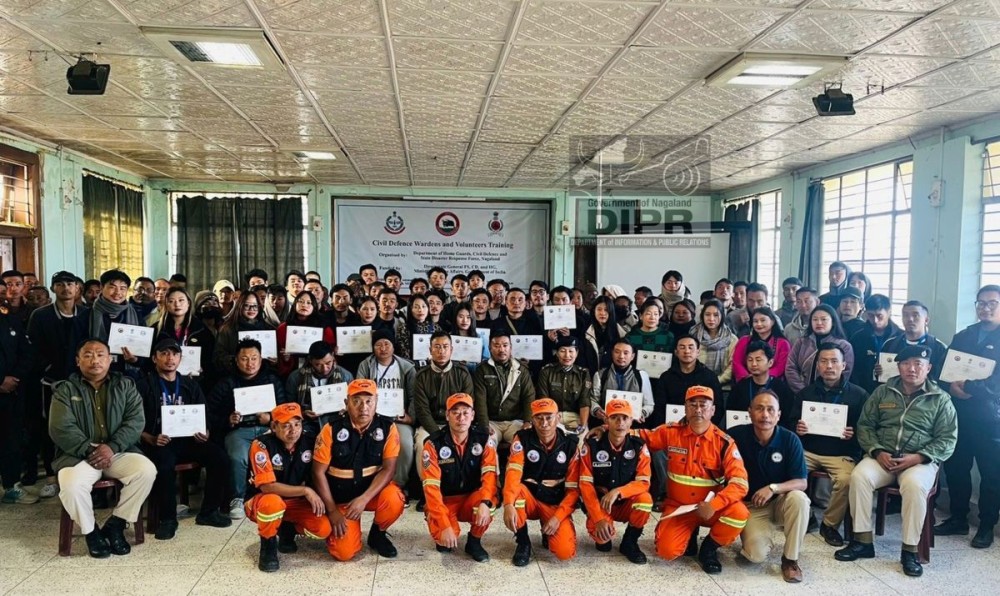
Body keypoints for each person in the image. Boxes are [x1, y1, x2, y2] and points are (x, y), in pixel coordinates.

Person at [834, 345, 957, 577]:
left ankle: (909, 551)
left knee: (914, 485)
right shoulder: (882, 392)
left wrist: (918, 457)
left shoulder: (941, 399)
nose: (912, 369)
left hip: (919, 460)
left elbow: (947, 439)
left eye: (918, 364)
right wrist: (877, 451)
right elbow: (865, 425)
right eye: (906, 364)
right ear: (898, 367)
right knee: (859, 476)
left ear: (928, 368)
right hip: (884, 457)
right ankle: (862, 541)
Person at [49, 339, 156, 558]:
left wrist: (112, 447)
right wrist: (90, 450)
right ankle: (91, 533)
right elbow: (60, 427)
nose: (95, 360)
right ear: (78, 361)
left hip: (118, 451)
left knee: (146, 471)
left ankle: (117, 524)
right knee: (71, 485)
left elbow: (135, 421)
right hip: (78, 455)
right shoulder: (65, 389)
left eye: (100, 355)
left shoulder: (125, 385)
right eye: (88, 355)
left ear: (109, 359)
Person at [632, 386, 749, 573]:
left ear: (713, 410)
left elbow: (740, 483)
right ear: (685, 409)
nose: (698, 410)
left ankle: (709, 549)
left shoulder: (724, 443)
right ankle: (690, 533)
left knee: (739, 514)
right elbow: (641, 436)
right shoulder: (671, 432)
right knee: (666, 552)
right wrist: (607, 429)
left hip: (710, 508)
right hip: (679, 506)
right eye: (693, 405)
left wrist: (715, 505)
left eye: (703, 405)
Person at [136, 338, 231, 540]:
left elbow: (204, 414)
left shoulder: (190, 384)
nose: (170, 358)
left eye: (174, 354)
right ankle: (168, 519)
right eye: (164, 354)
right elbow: (133, 421)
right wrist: (150, 438)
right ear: (154, 358)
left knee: (220, 458)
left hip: (189, 441)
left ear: (180, 358)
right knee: (164, 466)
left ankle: (209, 512)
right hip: (160, 442)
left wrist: (205, 431)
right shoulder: (144, 385)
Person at [935, 285, 1000, 547]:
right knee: (956, 469)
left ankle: (986, 526)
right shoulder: (964, 335)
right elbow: (942, 370)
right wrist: (950, 387)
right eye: (981, 303)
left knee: (991, 475)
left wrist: (971, 388)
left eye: (992, 303)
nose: (986, 308)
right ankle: (958, 518)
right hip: (958, 416)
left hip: (990, 419)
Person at [312, 379, 405, 560]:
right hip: (341, 498)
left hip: (369, 493)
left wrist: (364, 499)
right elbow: (317, 472)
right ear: (346, 403)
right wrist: (332, 510)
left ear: (376, 402)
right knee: (344, 553)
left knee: (394, 498)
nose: (363, 407)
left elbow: (389, 469)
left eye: (369, 401)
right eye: (356, 401)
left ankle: (378, 534)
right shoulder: (331, 428)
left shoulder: (388, 428)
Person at [791, 343, 869, 547]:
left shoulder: (859, 395)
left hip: (841, 453)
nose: (829, 366)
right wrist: (797, 428)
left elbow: (867, 429)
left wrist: (853, 434)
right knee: (789, 471)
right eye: (824, 361)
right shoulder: (806, 394)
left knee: (847, 480)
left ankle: (829, 525)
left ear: (844, 365)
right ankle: (804, 516)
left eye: (834, 361)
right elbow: (789, 424)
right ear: (817, 365)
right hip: (809, 451)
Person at [729, 390, 810, 583]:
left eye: (770, 410)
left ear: (778, 415)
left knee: (799, 498)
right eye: (759, 409)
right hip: (752, 506)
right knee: (755, 556)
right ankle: (762, 535)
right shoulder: (735, 436)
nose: (765, 415)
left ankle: (790, 560)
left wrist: (773, 488)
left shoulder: (790, 439)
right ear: (750, 412)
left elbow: (802, 482)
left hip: (781, 502)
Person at [245, 402, 331, 571]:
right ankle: (268, 546)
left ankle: (287, 529)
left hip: (295, 502)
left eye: (297, 424)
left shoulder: (310, 441)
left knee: (323, 529)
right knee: (272, 502)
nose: (293, 431)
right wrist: (306, 490)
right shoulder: (261, 445)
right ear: (274, 427)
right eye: (286, 426)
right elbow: (267, 487)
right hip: (261, 501)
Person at [207, 338, 286, 519]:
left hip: (268, 430)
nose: (250, 363)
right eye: (244, 359)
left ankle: (279, 493)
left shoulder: (272, 381)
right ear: (236, 360)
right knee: (238, 457)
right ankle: (237, 498)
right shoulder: (226, 383)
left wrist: (271, 418)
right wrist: (228, 420)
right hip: (239, 432)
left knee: (280, 453)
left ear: (261, 359)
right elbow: (209, 412)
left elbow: (285, 408)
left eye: (254, 358)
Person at [502, 398, 581, 565]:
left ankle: (548, 529)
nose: (544, 423)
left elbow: (573, 490)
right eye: (539, 418)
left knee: (565, 552)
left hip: (554, 501)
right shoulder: (522, 439)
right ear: (532, 419)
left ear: (558, 417)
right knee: (516, 492)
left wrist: (558, 518)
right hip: (529, 497)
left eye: (549, 417)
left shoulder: (571, 444)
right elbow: (513, 473)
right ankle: (523, 542)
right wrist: (508, 504)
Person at [420, 393, 496, 562]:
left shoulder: (484, 440)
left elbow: (489, 476)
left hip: (471, 498)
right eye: (455, 412)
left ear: (473, 415)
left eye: (465, 412)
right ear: (447, 416)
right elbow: (431, 489)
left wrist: (485, 502)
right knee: (445, 542)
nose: (461, 418)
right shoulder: (433, 444)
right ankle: (445, 527)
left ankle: (474, 541)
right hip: (445, 501)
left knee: (490, 502)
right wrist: (444, 525)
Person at [579, 399, 652, 564]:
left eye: (625, 418)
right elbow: (585, 485)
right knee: (603, 542)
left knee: (645, 501)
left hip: (625, 503)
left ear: (631, 421)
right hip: (601, 504)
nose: (620, 423)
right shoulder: (592, 445)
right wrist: (598, 518)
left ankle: (630, 542)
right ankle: (603, 528)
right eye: (614, 418)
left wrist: (618, 491)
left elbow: (644, 482)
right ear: (606, 420)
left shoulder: (639, 446)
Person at [356, 331, 417, 493]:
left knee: (405, 444)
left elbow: (414, 395)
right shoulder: (365, 365)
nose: (383, 348)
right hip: (372, 418)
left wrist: (410, 418)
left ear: (393, 346)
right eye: (378, 345)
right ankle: (369, 486)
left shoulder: (407, 368)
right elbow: (359, 393)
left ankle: (398, 485)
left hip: (398, 418)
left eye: (387, 344)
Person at [413, 331, 475, 448]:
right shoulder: (421, 376)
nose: (441, 351)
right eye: (437, 347)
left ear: (451, 350)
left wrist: (453, 428)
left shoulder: (462, 373)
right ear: (430, 350)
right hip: (430, 425)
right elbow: (422, 410)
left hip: (457, 423)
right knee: (423, 444)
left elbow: (467, 405)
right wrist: (437, 433)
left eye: (445, 347)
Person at [472, 328, 536, 444]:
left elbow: (529, 396)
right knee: (486, 444)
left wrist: (528, 421)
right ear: (490, 348)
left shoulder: (521, 369)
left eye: (505, 345)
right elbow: (480, 400)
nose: (501, 349)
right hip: (491, 422)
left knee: (525, 443)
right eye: (496, 346)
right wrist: (484, 424)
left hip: (515, 421)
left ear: (511, 347)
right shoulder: (482, 370)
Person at [0, 296, 33, 504]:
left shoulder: (11, 321)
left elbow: (26, 354)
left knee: (11, 440)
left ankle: (11, 486)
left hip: (11, 391)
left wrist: (13, 379)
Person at [284, 341, 354, 436]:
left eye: (328, 363)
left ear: (333, 356)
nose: (324, 368)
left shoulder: (345, 376)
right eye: (318, 365)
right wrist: (303, 413)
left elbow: (354, 403)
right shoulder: (296, 377)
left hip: (339, 422)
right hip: (306, 425)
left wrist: (348, 408)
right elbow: (288, 408)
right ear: (310, 360)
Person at [654, 336, 724, 428]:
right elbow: (659, 407)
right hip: (671, 428)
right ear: (676, 352)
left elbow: (718, 407)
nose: (687, 351)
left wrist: (704, 427)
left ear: (698, 352)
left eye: (691, 347)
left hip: (701, 428)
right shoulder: (666, 377)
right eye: (682, 347)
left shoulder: (709, 376)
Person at [785, 304, 855, 393]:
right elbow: (790, 367)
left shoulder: (844, 346)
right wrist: (803, 391)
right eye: (815, 319)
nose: (819, 323)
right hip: (801, 393)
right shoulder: (801, 342)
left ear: (833, 322)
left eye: (823, 319)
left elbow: (845, 372)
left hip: (832, 395)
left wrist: (827, 392)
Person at [729, 341, 797, 430]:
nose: (753, 364)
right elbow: (731, 415)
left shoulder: (782, 389)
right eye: (750, 360)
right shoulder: (739, 388)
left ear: (770, 362)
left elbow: (787, 420)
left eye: (758, 360)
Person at [536, 335, 592, 434]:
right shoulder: (546, 371)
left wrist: (583, 425)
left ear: (577, 353)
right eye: (562, 351)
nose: (567, 355)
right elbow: (544, 399)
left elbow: (584, 402)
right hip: (551, 416)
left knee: (583, 438)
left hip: (575, 417)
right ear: (557, 353)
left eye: (571, 351)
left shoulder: (583, 374)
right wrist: (551, 419)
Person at [590, 339, 653, 427]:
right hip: (607, 423)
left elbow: (649, 404)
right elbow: (593, 400)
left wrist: (642, 413)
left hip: (633, 425)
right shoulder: (600, 375)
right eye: (617, 352)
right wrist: (597, 410)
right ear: (612, 353)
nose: (621, 356)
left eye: (626, 353)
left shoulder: (641, 376)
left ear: (632, 356)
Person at [882, 300, 948, 382]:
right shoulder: (890, 345)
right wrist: (878, 372)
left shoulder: (939, 348)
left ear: (926, 320)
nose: (910, 319)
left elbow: (944, 381)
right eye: (906, 315)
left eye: (915, 315)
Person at [212, 291, 275, 377]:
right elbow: (218, 357)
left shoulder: (267, 329)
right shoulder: (228, 329)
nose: (251, 309)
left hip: (262, 376)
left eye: (255, 306)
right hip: (235, 377)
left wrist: (274, 361)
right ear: (240, 306)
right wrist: (237, 360)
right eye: (246, 305)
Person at [849, 294, 903, 392]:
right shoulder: (858, 337)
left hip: (895, 391)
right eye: (871, 315)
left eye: (879, 316)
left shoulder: (901, 337)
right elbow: (853, 369)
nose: (875, 320)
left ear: (889, 312)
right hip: (864, 390)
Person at [276, 291, 334, 378]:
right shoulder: (282, 329)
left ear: (314, 306)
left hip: (318, 372)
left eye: (309, 303)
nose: (304, 305)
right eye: (301, 301)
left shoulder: (324, 329)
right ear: (294, 304)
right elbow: (277, 357)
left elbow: (330, 354)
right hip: (291, 372)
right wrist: (285, 358)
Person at [732, 307, 791, 382]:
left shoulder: (783, 343)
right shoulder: (744, 341)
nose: (759, 324)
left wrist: (761, 378)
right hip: (746, 382)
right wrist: (748, 378)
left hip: (772, 382)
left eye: (763, 320)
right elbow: (737, 363)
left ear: (772, 322)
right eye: (755, 321)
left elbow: (780, 367)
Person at [582, 296, 626, 375]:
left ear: (611, 312)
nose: (602, 313)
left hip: (612, 376)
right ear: (594, 311)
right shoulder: (586, 331)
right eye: (599, 309)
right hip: (590, 375)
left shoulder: (620, 333)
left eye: (606, 310)